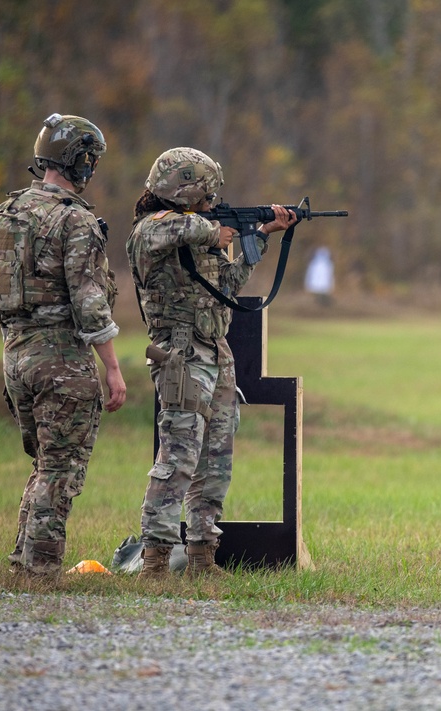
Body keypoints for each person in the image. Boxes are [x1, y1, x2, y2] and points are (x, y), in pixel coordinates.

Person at [126, 146, 296, 578]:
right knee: (177, 459)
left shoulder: (197, 232)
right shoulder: (151, 229)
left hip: (217, 353)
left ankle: (203, 554)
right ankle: (156, 561)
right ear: (183, 194)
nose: (211, 204)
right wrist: (212, 231)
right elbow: (160, 234)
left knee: (215, 461)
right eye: (204, 196)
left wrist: (259, 236)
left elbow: (229, 287)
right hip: (181, 355)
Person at [0, 113, 127, 577]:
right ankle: (41, 570)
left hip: (14, 354)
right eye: (91, 159)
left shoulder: (8, 212)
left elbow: (0, 290)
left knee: (45, 462)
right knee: (61, 469)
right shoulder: (74, 219)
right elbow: (89, 301)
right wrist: (112, 368)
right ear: (79, 161)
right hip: (60, 357)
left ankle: (23, 564)